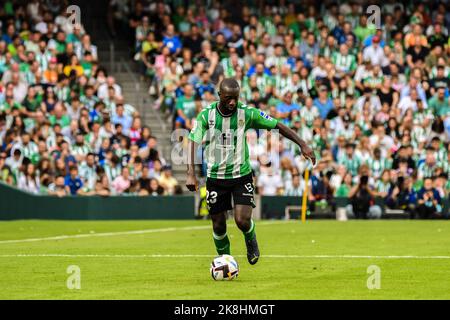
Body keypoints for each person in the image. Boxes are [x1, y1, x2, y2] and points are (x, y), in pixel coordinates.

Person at [186, 78, 315, 265]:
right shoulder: (206, 116)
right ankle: (226, 261)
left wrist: (302, 144)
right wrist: (190, 172)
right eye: (228, 98)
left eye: (236, 98)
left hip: (241, 175)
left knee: (242, 220)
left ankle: (250, 238)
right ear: (219, 95)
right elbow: (193, 141)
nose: (232, 102)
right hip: (216, 177)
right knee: (219, 224)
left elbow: (277, 125)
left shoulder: (246, 113)